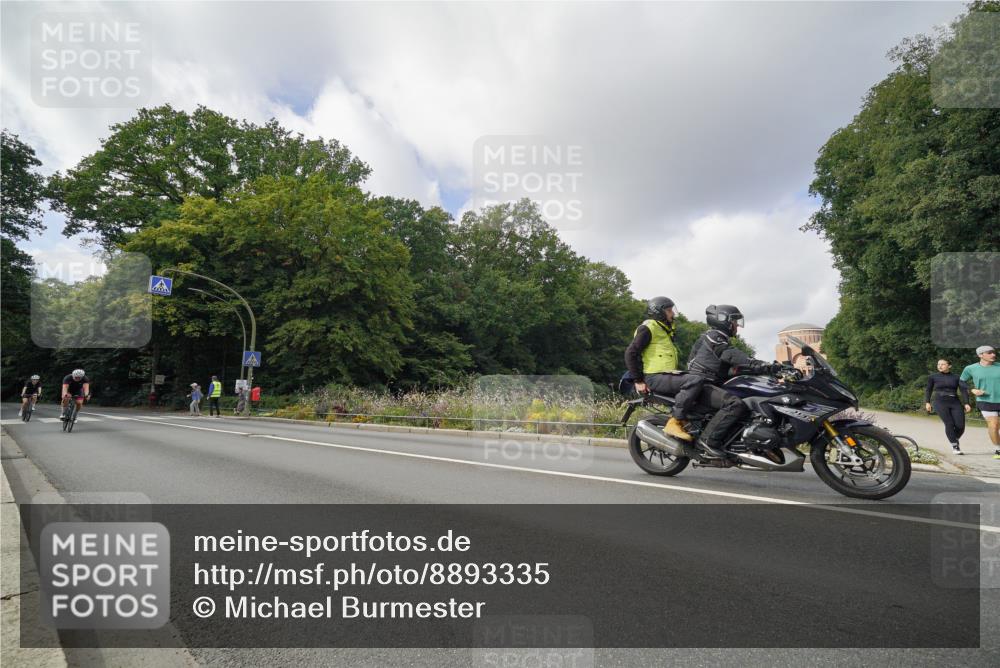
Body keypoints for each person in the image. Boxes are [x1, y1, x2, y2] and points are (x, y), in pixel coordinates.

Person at [688, 305, 782, 459]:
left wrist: (766, 369)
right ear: (723, 320)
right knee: (734, 404)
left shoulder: (720, 339)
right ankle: (707, 441)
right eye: (734, 321)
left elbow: (734, 368)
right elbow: (730, 356)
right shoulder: (713, 336)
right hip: (701, 384)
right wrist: (758, 363)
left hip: (713, 382)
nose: (737, 325)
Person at [624, 296, 703, 441]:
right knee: (694, 380)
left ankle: (689, 424)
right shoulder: (648, 328)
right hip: (654, 377)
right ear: (658, 312)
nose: (672, 313)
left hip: (665, 376)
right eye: (668, 310)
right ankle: (675, 421)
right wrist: (638, 380)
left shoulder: (665, 331)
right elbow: (630, 353)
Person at [960, 345, 1000, 460]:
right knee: (993, 425)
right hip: (985, 400)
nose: (993, 354)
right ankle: (998, 449)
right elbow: (962, 382)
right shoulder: (970, 368)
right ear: (980, 355)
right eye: (989, 352)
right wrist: (972, 389)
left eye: (994, 352)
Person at [924, 359, 971, 455]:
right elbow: (928, 390)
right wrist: (927, 402)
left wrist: (966, 403)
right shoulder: (933, 377)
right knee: (949, 424)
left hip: (955, 402)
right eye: (938, 364)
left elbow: (963, 391)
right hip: (940, 402)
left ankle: (953, 438)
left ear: (949, 366)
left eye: (943, 364)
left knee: (960, 426)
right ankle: (955, 446)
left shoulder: (957, 377)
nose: (940, 366)